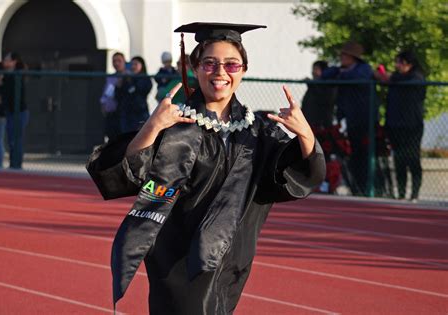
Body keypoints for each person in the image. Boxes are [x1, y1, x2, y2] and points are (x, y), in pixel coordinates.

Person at [86, 22, 325, 314]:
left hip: (231, 257)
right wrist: (151, 127)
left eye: (231, 64)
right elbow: (123, 175)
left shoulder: (259, 132)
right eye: (209, 63)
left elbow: (299, 176)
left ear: (243, 70)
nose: (220, 72)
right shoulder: (173, 126)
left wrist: (306, 135)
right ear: (195, 68)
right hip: (178, 259)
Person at [321, 41, 374, 196]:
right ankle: (356, 188)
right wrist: (339, 71)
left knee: (363, 155)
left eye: (345, 55)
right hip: (347, 119)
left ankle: (365, 188)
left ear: (353, 57)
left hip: (363, 119)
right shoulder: (341, 70)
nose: (342, 58)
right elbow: (325, 76)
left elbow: (358, 77)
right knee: (350, 155)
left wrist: (342, 74)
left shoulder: (363, 69)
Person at [377, 51, 426, 201]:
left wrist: (390, 78)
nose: (397, 66)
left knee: (412, 159)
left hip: (412, 126)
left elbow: (407, 80)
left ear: (408, 63)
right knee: (399, 161)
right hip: (395, 125)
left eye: (399, 62)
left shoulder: (416, 76)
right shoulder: (396, 79)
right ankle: (402, 193)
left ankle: (415, 194)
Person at [0, 52, 29, 169]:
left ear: (14, 62)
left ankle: (16, 164)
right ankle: (13, 163)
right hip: (11, 112)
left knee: (16, 139)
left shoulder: (17, 75)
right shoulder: (7, 75)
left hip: (19, 112)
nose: (4, 62)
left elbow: (9, 93)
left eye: (7, 60)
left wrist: (0, 85)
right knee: (11, 139)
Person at [115, 56, 152, 134]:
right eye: (131, 64)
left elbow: (140, 90)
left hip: (140, 113)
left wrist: (130, 81)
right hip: (127, 114)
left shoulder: (145, 79)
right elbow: (119, 95)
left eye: (136, 64)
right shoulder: (125, 78)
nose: (133, 67)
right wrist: (119, 85)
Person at [99, 52, 125, 141]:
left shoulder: (128, 76)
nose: (116, 63)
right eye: (114, 61)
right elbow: (106, 93)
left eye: (119, 61)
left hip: (123, 114)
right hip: (111, 113)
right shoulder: (111, 77)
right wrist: (103, 104)